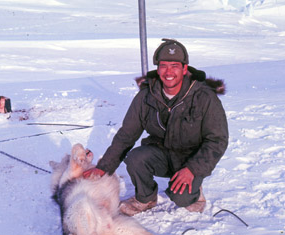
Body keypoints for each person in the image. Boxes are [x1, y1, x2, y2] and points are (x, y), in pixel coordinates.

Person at [84, 38, 228, 216]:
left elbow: (217, 140)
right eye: (163, 65)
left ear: (184, 69)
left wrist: (193, 169)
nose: (169, 72)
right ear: (157, 69)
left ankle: (195, 192)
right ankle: (145, 198)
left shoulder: (204, 97)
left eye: (174, 65)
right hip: (161, 153)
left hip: (191, 158)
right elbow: (126, 135)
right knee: (136, 158)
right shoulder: (146, 97)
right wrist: (104, 167)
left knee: (182, 198)